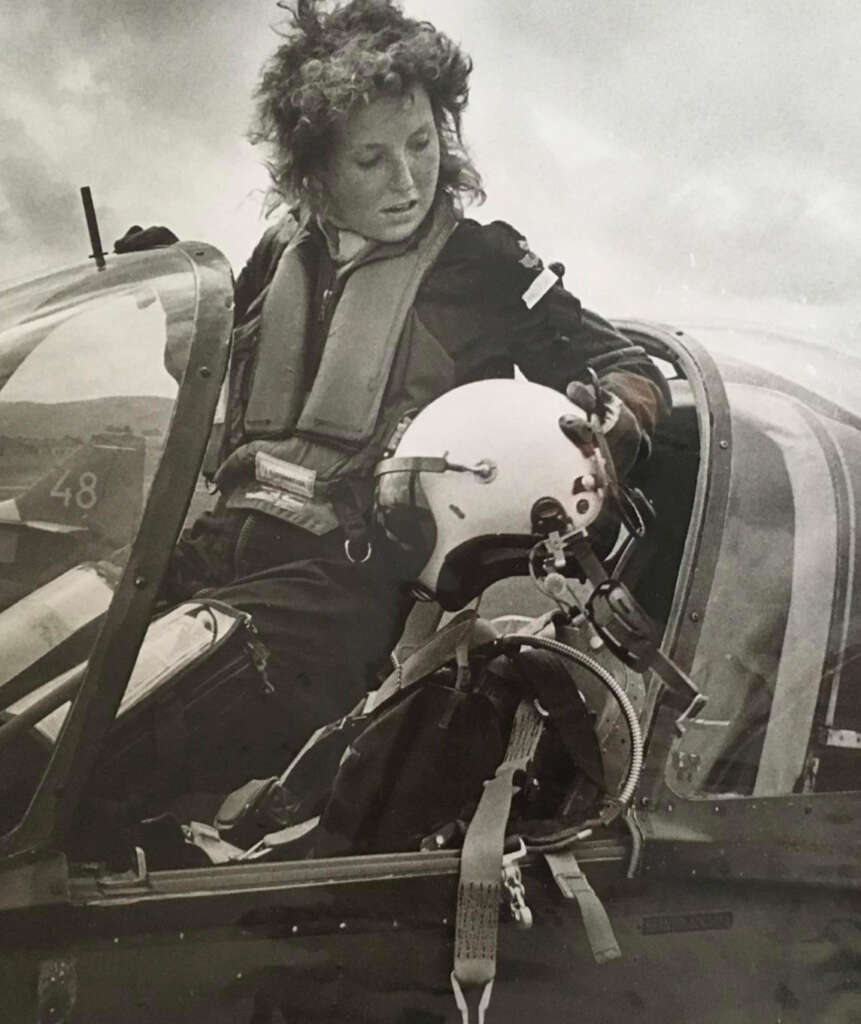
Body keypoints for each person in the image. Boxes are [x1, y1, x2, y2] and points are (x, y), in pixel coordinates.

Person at [143, 0, 670, 758]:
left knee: (108, 739)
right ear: (315, 169)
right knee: (59, 646)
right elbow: (218, 384)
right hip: (217, 546)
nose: (408, 179)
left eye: (422, 143)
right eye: (370, 159)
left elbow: (625, 368)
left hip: (343, 591)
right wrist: (174, 311)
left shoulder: (483, 265)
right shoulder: (279, 253)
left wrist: (614, 418)